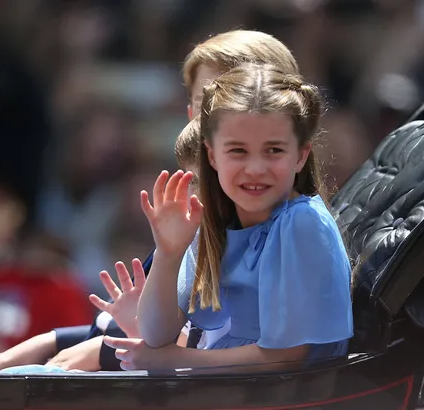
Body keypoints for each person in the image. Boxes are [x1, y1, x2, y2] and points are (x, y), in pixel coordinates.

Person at [0, 29, 303, 372]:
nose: (212, 122)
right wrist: (49, 342)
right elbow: (146, 322)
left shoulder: (284, 224)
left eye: (229, 102)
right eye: (204, 105)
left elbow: (228, 344)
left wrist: (103, 352)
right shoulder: (199, 210)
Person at [99, 63, 353, 371]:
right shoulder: (213, 223)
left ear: (300, 155)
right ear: (212, 155)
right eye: (238, 151)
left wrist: (176, 360)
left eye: (273, 150)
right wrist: (168, 253)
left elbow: (286, 356)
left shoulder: (302, 223)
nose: (256, 168)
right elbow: (156, 334)